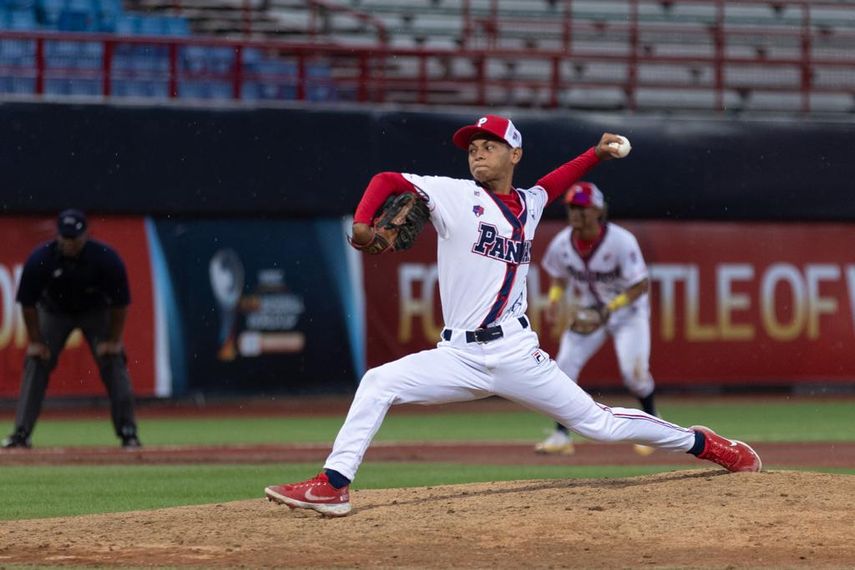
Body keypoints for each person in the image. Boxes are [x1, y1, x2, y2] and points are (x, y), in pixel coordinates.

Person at [264, 115, 761, 517]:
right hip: (457, 355)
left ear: (514, 154)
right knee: (378, 382)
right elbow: (386, 180)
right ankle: (334, 485)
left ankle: (704, 443)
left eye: (490, 145)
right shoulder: (454, 195)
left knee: (601, 425)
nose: (477, 152)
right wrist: (361, 223)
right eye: (473, 147)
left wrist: (595, 154)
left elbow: (552, 184)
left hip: (516, 353)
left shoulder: (530, 204)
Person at [534, 182, 658, 457]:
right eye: (572, 207)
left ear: (599, 211)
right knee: (563, 369)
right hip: (590, 310)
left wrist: (610, 308)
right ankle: (560, 435)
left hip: (628, 313)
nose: (576, 213)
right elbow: (559, 277)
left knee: (635, 376)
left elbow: (640, 285)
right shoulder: (562, 244)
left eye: (582, 208)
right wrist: (554, 299)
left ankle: (653, 422)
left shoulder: (621, 241)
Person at [2, 209, 142, 449]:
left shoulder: (106, 259)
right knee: (36, 361)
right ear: (58, 236)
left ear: (85, 234)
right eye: (65, 237)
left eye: (74, 238)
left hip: (96, 312)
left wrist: (113, 339)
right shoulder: (41, 259)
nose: (69, 243)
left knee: (113, 359)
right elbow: (27, 303)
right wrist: (35, 341)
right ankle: (22, 432)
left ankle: (128, 431)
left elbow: (120, 304)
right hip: (54, 312)